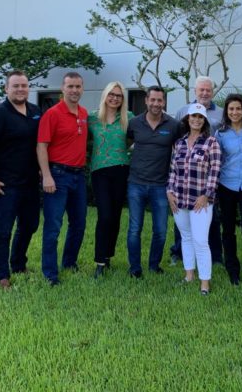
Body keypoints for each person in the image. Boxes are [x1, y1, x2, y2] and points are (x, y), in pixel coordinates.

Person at [0, 70, 42, 290]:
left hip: (30, 182)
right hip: (6, 184)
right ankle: (1, 274)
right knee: (3, 230)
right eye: (15, 86)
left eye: (24, 85)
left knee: (30, 225)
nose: (20, 89)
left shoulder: (35, 112)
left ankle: (18, 263)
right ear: (6, 89)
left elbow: (41, 145)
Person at [36, 72, 88, 286]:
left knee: (79, 223)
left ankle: (69, 262)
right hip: (58, 175)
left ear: (82, 88)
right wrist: (46, 175)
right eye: (70, 86)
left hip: (79, 175)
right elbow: (41, 146)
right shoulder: (52, 114)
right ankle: (50, 272)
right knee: (53, 226)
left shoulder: (84, 113)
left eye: (78, 86)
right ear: (63, 88)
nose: (74, 90)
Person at [167, 103, 222, 295]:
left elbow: (215, 171)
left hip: (201, 200)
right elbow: (173, 170)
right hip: (179, 198)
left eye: (200, 117)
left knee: (200, 240)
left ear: (204, 120)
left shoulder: (211, 143)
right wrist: (169, 192)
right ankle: (189, 276)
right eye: (193, 116)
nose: (196, 120)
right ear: (187, 119)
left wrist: (207, 195)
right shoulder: (179, 143)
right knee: (186, 237)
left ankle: (205, 283)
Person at [126, 86, 179, 278]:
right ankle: (135, 268)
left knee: (161, 230)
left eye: (160, 100)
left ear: (164, 102)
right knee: (134, 229)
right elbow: (126, 143)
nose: (156, 104)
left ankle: (154, 265)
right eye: (153, 100)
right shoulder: (134, 123)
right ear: (146, 101)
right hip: (136, 184)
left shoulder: (173, 125)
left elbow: (180, 150)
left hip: (161, 185)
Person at [172, 76, 223, 265]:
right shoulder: (182, 111)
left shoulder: (221, 113)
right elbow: (178, 141)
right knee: (183, 223)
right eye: (201, 89)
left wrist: (208, 192)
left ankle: (215, 257)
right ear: (195, 91)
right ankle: (179, 254)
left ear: (212, 92)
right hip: (185, 177)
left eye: (208, 90)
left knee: (211, 219)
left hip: (207, 174)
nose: (205, 93)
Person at [88, 81, 133, 279]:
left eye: (119, 95)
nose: (115, 98)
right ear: (105, 96)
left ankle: (107, 257)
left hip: (121, 170)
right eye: (111, 94)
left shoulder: (128, 118)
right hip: (100, 172)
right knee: (104, 216)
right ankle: (99, 261)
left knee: (115, 216)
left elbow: (132, 139)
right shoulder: (92, 118)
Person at [215, 93, 242, 286]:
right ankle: (232, 271)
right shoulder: (220, 134)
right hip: (227, 185)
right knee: (228, 231)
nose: (235, 112)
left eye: (238, 108)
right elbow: (217, 160)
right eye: (231, 109)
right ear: (226, 111)